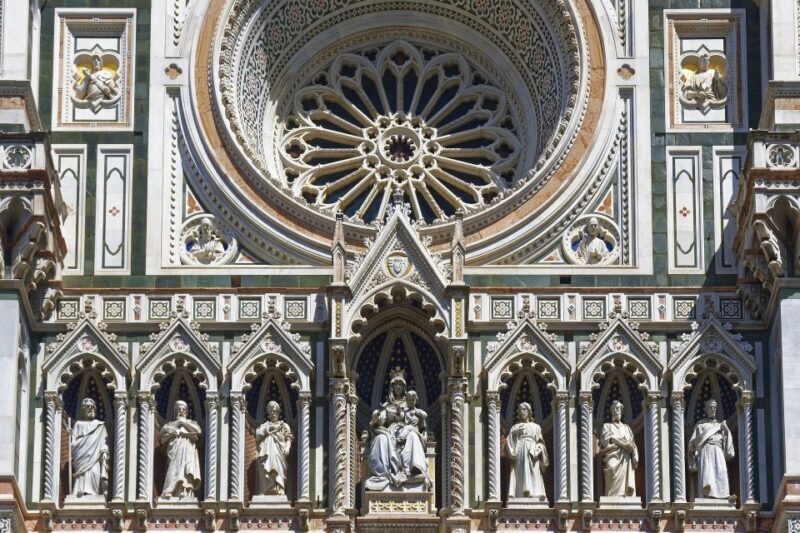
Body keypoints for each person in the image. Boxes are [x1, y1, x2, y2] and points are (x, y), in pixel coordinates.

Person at [365, 368, 429, 491]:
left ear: (404, 387)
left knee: (413, 435)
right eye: (396, 384)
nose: (398, 387)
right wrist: (377, 416)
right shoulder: (387, 405)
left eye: (400, 384)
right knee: (380, 438)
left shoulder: (409, 404)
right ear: (392, 387)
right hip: (390, 433)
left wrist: (416, 420)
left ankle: (413, 470)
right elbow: (381, 421)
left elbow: (420, 422)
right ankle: (382, 475)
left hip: (407, 431)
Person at [688, 399, 734, 499]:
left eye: (714, 408)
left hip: (718, 451)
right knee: (707, 473)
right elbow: (693, 443)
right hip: (706, 450)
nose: (713, 409)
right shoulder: (701, 426)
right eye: (710, 407)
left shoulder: (720, 426)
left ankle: (723, 494)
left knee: (721, 471)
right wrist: (692, 456)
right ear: (706, 410)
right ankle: (707, 495)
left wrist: (726, 431)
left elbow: (727, 443)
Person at [505, 402, 548, 500]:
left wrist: (538, 448)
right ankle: (519, 494)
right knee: (520, 473)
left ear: (529, 411)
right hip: (519, 450)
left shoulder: (536, 427)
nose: (522, 412)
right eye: (520, 410)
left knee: (533, 471)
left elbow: (541, 443)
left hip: (532, 452)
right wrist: (514, 433)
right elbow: (508, 442)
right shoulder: (515, 427)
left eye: (524, 409)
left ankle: (535, 493)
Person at [159, 400, 202, 500]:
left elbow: (198, 431)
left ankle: (186, 492)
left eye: (183, 409)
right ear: (175, 412)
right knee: (174, 468)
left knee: (186, 471)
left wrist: (183, 422)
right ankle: (169, 491)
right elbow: (162, 433)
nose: (181, 411)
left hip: (188, 450)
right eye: (179, 409)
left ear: (186, 412)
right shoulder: (170, 424)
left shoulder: (191, 423)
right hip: (174, 451)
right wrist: (170, 429)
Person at [69, 398, 109, 497]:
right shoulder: (78, 424)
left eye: (92, 407)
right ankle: (79, 492)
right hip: (81, 458)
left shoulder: (100, 426)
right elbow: (73, 444)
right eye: (88, 406)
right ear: (83, 409)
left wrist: (104, 451)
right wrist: (75, 441)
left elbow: (104, 443)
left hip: (95, 459)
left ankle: (93, 494)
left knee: (95, 473)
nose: (90, 408)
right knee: (80, 477)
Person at [599, 400, 638, 497]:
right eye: (614, 409)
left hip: (625, 457)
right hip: (612, 455)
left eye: (618, 409)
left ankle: (625, 494)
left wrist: (632, 449)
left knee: (625, 477)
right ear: (611, 412)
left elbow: (632, 442)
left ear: (621, 411)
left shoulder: (627, 428)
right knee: (612, 468)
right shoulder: (607, 426)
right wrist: (621, 443)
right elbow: (604, 442)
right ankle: (612, 496)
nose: (617, 411)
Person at [255, 401, 293, 495]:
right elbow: (258, 436)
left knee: (278, 468)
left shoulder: (284, 426)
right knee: (266, 467)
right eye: (271, 411)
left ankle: (279, 489)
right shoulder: (264, 426)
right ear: (268, 413)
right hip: (266, 452)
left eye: (275, 411)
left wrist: (287, 448)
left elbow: (288, 438)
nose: (273, 413)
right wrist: (267, 430)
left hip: (279, 452)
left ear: (278, 412)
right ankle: (266, 489)